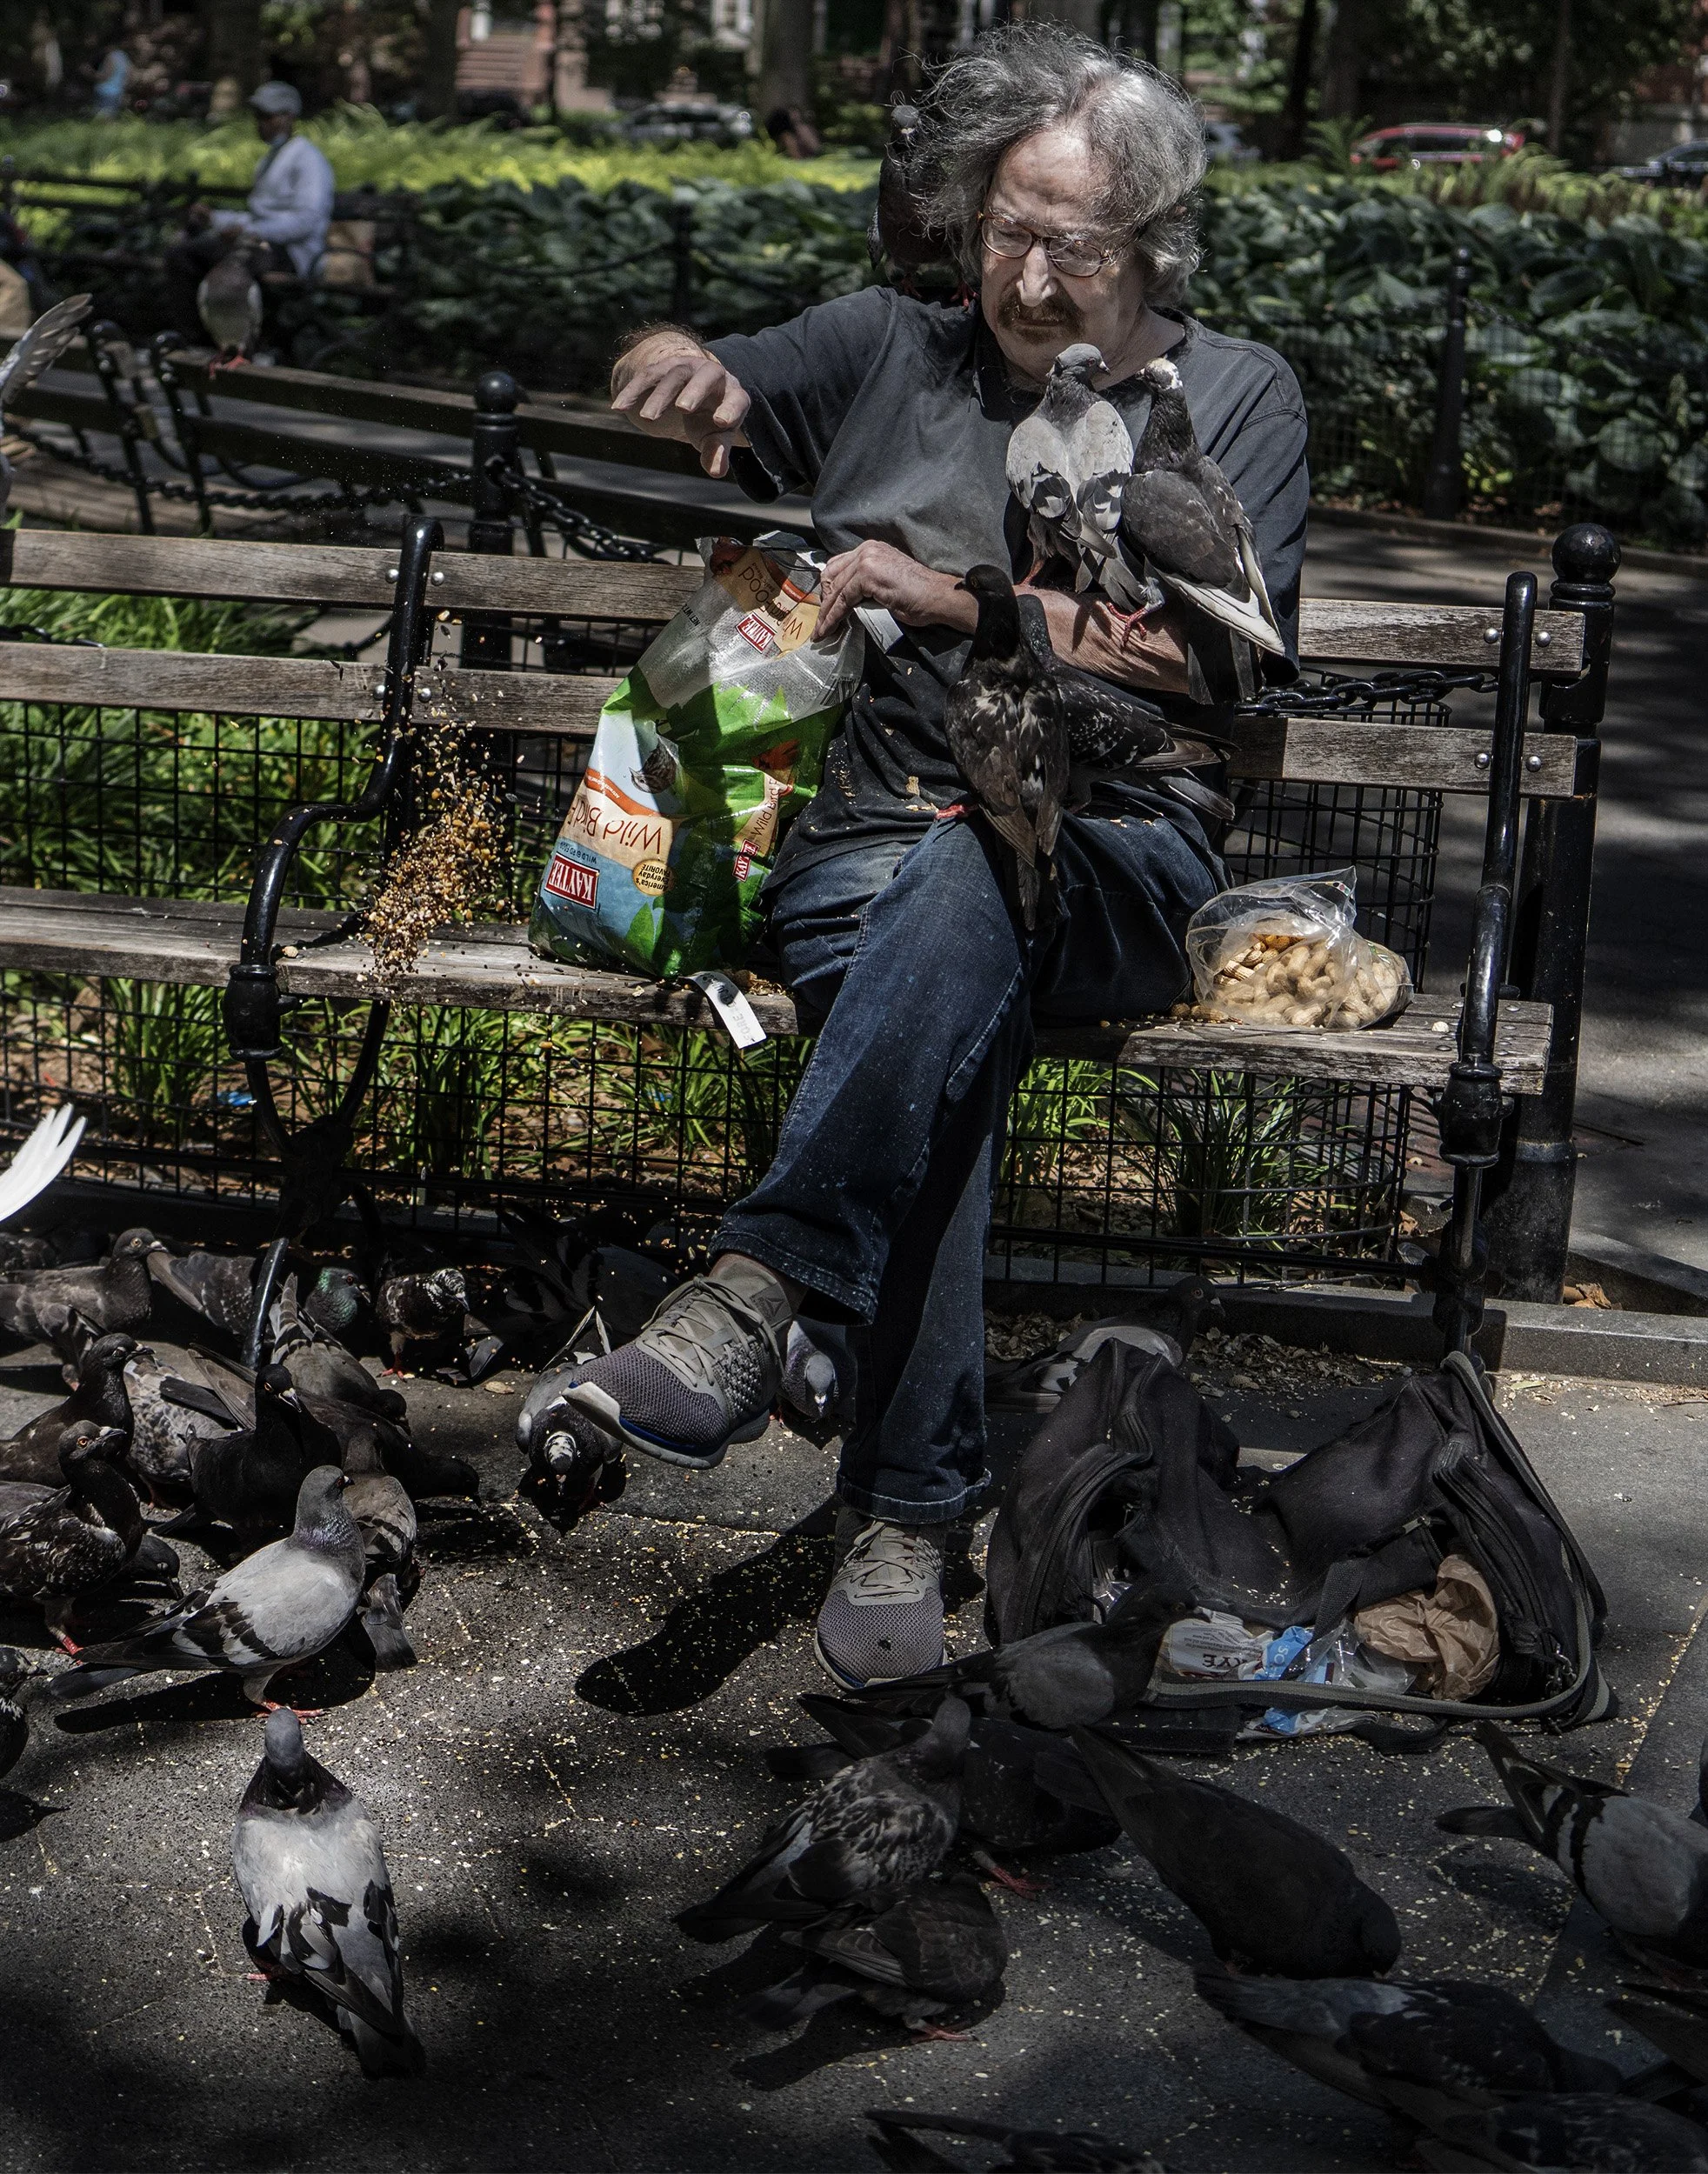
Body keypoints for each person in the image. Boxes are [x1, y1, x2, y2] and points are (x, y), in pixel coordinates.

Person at [519, 23, 1309, 1691]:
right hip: (864, 845)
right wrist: (676, 363)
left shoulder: (1225, 396)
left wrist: (950, 599)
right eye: (1001, 229)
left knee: (985, 875)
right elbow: (702, 358)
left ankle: (761, 1305)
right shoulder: (894, 344)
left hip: (1122, 848)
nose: (1024, 274)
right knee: (946, 925)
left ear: (1147, 242)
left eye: (1068, 242)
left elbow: (1214, 664)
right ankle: (896, 1501)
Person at [163, 81, 334, 341]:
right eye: (258, 117)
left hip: (292, 253)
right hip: (261, 244)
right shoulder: (271, 158)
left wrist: (249, 230)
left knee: (226, 265)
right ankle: (199, 338)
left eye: (267, 117)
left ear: (289, 117)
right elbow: (259, 215)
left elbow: (306, 221)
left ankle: (235, 340)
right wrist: (216, 219)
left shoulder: (308, 160)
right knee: (185, 254)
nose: (261, 124)